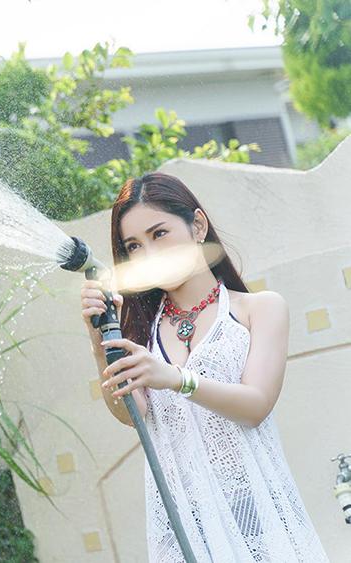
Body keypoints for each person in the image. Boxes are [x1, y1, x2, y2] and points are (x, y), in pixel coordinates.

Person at [79, 172, 330, 562]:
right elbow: (134, 414)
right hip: (185, 522)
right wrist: (100, 346)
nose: (148, 253)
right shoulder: (140, 328)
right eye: (134, 246)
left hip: (258, 516)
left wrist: (178, 379)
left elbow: (256, 404)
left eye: (159, 234)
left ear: (197, 225)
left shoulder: (259, 310)